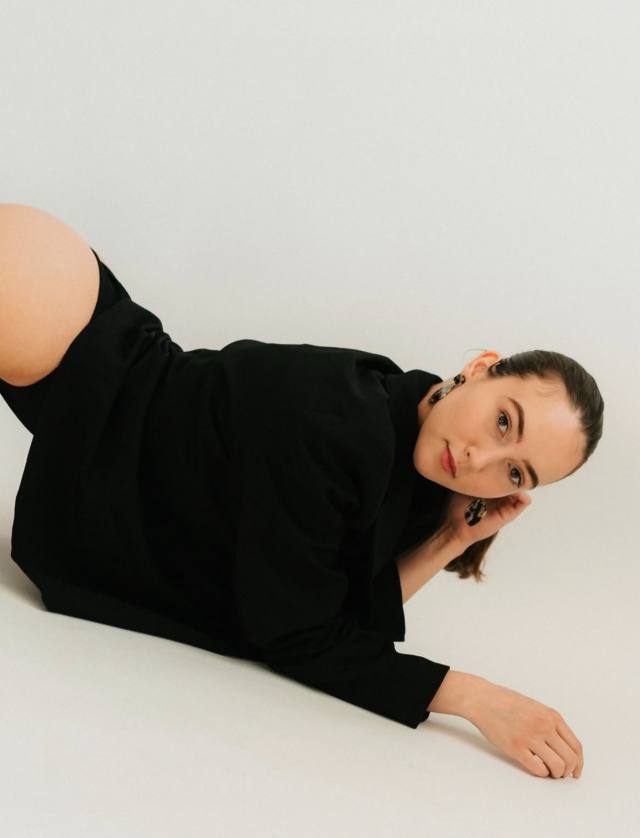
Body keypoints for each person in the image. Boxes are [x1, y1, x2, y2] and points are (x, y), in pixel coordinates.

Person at [0, 204, 602, 780]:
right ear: (480, 368)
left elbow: (343, 615)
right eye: (504, 421)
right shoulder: (350, 428)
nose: (481, 459)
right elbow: (297, 635)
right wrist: (475, 698)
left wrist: (450, 538)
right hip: (69, 338)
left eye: (515, 473)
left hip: (78, 339)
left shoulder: (417, 451)